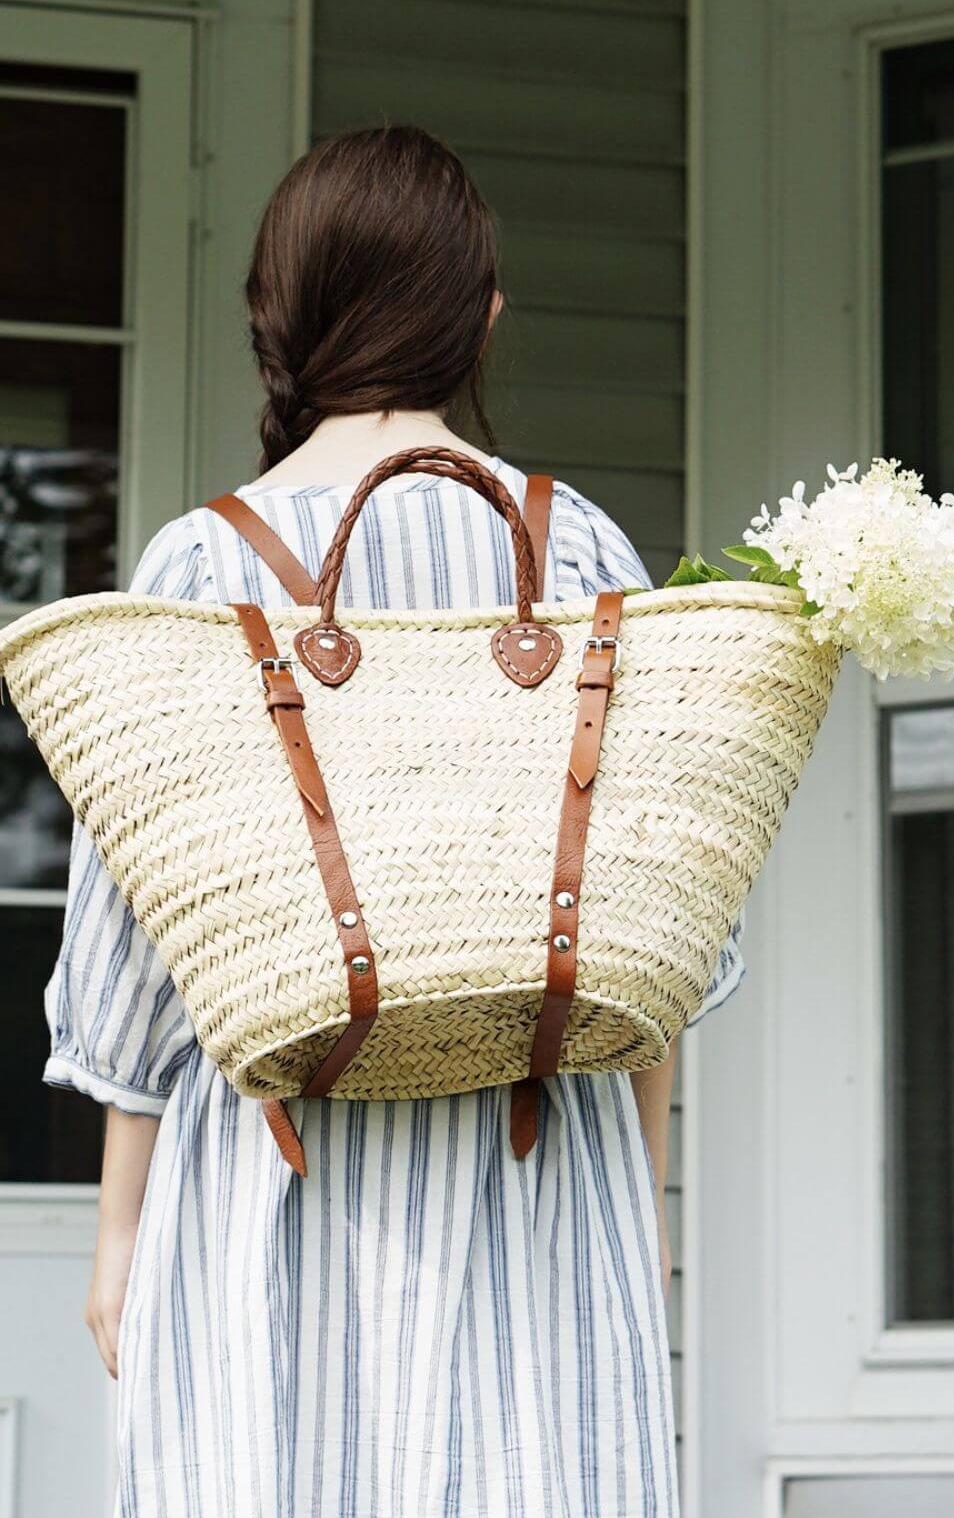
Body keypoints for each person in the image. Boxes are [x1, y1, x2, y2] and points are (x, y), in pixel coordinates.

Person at [45, 126, 745, 1516]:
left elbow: (133, 954)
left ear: (277, 315)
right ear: (479, 311)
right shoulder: (583, 551)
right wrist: (640, 1209)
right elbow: (659, 931)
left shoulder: (200, 569)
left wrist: (117, 1239)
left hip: (266, 1189)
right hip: (541, 1170)